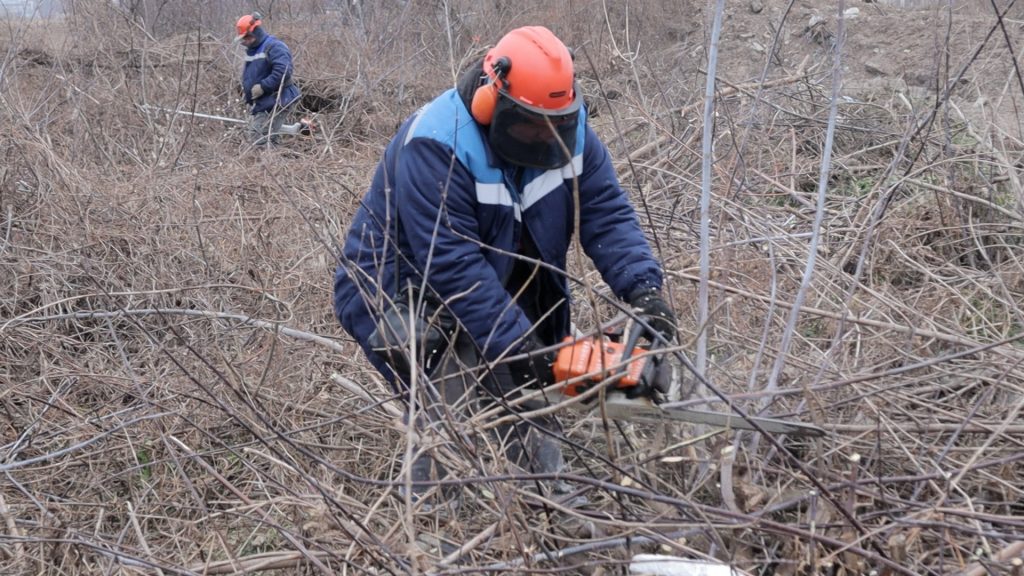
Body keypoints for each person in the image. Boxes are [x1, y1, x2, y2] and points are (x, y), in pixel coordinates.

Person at [332, 25, 675, 508]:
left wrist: (645, 290)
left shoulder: (568, 135)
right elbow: (451, 265)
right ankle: (434, 521)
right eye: (528, 124)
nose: (543, 138)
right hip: (400, 288)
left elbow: (607, 213)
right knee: (449, 395)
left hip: (495, 277)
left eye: (555, 123)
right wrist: (518, 348)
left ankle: (544, 502)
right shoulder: (437, 142)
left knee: (527, 386)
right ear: (492, 102)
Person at [235, 13, 305, 144]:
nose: (244, 41)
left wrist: (263, 86)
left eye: (246, 37)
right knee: (265, 135)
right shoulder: (253, 51)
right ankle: (273, 158)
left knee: (260, 139)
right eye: (243, 39)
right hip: (264, 101)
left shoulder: (274, 46)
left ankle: (268, 162)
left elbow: (283, 71)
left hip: (278, 98)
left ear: (255, 32)